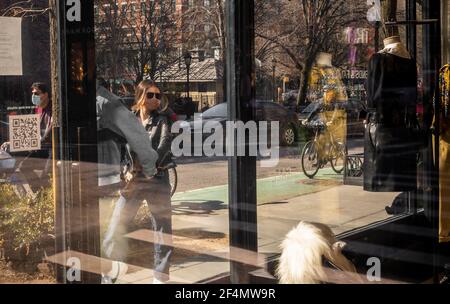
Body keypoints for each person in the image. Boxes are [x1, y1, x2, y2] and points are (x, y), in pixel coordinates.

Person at [102, 80, 173, 284]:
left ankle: (160, 277)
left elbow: (164, 145)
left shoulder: (163, 120)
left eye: (158, 96)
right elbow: (121, 151)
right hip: (133, 182)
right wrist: (126, 171)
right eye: (150, 95)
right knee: (116, 226)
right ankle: (111, 273)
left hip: (157, 179)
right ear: (140, 96)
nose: (155, 100)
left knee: (162, 230)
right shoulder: (129, 120)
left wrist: (148, 166)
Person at [1, 82, 53, 192]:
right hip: (38, 146)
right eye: (33, 94)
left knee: (47, 172)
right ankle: (40, 192)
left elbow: (49, 131)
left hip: (49, 147)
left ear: (46, 94)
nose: (34, 97)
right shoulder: (37, 109)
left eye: (37, 94)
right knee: (23, 165)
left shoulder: (52, 109)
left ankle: (44, 193)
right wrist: (14, 141)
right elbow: (31, 129)